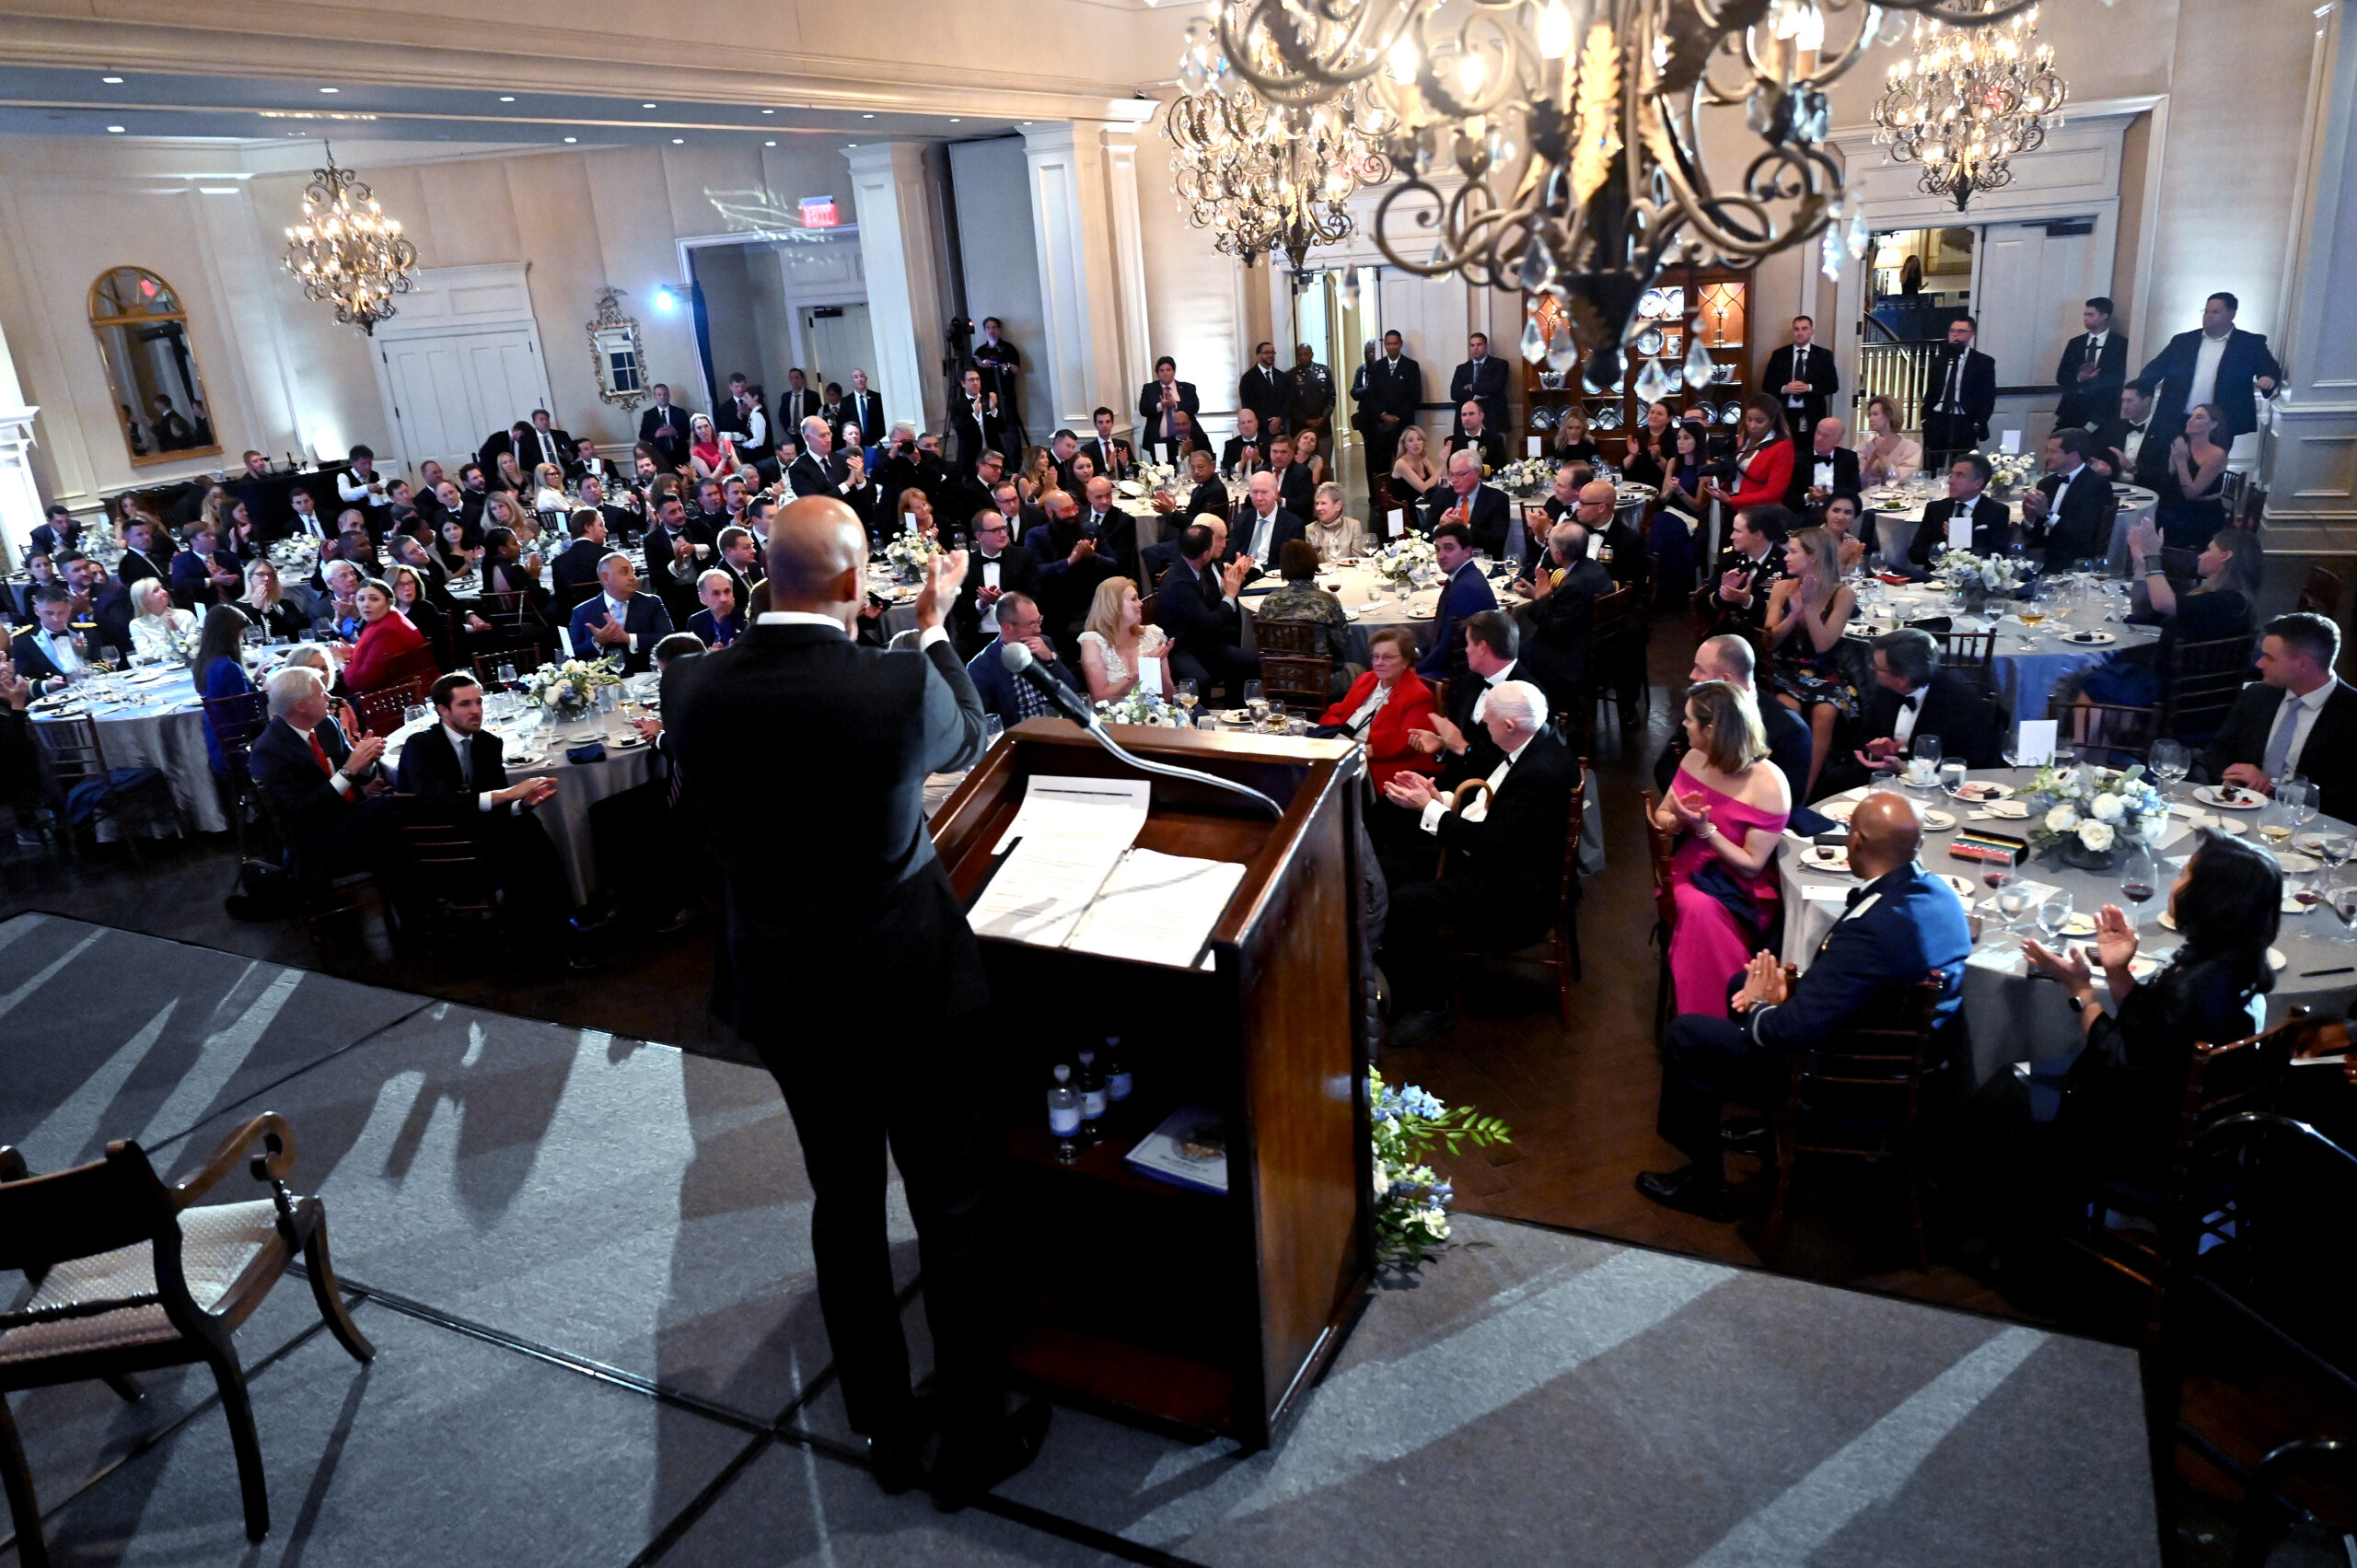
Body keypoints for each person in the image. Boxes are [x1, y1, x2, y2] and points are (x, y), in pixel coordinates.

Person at [662, 495, 1039, 1505]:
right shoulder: (891, 684)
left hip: (786, 986)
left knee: (844, 1201)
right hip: (907, 980)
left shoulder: (690, 685)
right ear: (851, 583)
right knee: (952, 1202)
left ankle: (883, 1423)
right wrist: (930, 624)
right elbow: (963, 740)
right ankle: (972, 1433)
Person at [1639, 792, 1968, 1219]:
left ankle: (1709, 1186)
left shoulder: (1873, 935)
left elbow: (1789, 1032)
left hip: (1843, 1075)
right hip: (1903, 1061)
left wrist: (1764, 1004)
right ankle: (1770, 1116)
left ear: (1857, 840)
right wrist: (1781, 995)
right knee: (1741, 981)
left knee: (1687, 1035)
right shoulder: (1939, 896)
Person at [2014, 830, 2281, 1206]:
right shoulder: (2235, 965)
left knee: (2008, 1093)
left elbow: (2117, 1056)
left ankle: (2026, 1238)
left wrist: (2081, 991)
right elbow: (2153, 1031)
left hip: (2143, 1149)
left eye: (2185, 874)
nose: (2174, 882)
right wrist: (2117, 971)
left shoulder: (2191, 989)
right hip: (2202, 1140)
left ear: (2209, 898)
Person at [1377, 679, 1574, 1047]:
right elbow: (1489, 814)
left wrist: (1428, 808)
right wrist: (1439, 798)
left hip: (1516, 891)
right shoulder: (1531, 744)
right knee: (1391, 867)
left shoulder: (1540, 772)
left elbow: (1491, 842)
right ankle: (1398, 964)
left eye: (1488, 719)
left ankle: (1432, 1006)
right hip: (1501, 860)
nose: (1482, 723)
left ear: (1510, 726)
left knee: (1409, 901)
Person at [1653, 679, 1793, 1017]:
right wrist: (1677, 821)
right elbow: (1662, 814)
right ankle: (1724, 1017)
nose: (1683, 725)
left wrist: (1705, 829)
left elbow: (1751, 865)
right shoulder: (1693, 759)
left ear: (1712, 729)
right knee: (1699, 910)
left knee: (1702, 913)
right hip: (1690, 872)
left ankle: (1715, 1017)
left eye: (1688, 720)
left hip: (1744, 889)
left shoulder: (1770, 784)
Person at [2084, 522, 2264, 712]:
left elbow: (2164, 603)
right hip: (2176, 682)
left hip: (2179, 695)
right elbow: (2142, 609)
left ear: (2225, 556)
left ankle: (2083, 740)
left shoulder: (2230, 603)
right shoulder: (2222, 598)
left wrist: (2153, 556)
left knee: (2094, 684)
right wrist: (2141, 563)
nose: (2201, 555)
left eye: (2209, 550)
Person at [2197, 611, 2357, 820]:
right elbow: (2218, 749)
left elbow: (2347, 794)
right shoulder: (2257, 694)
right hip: (2240, 811)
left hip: (2312, 826)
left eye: (2269, 657)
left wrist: (2274, 788)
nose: (2259, 664)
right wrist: (2232, 774)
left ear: (2303, 664)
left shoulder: (2350, 711)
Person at [1653, 635, 1824, 830]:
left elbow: (1789, 804)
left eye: (1701, 669)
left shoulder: (1789, 730)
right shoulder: (1699, 709)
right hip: (1694, 829)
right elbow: (1664, 768)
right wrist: (1691, 807)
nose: (1692, 675)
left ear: (1726, 680)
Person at [249, 662, 401, 880]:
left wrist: (367, 759)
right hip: (316, 842)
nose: (329, 698)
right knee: (394, 813)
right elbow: (303, 812)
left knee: (399, 812)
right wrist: (349, 769)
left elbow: (359, 774)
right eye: (321, 693)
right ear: (300, 706)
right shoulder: (270, 751)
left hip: (348, 818)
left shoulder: (327, 725)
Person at [1823, 627, 1999, 796]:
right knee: (1831, 782)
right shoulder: (1887, 689)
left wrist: (1907, 769)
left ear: (1902, 678)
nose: (1871, 668)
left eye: (1877, 667)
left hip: (1936, 787)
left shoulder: (1960, 705)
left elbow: (1964, 766)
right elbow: (1865, 734)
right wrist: (1877, 748)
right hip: (1886, 775)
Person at [1762, 526, 1860, 797]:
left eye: (1793, 552)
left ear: (1813, 557)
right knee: (1788, 707)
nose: (1786, 557)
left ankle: (1805, 792)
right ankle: (1784, 785)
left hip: (1825, 669)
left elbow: (1823, 644)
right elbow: (1770, 642)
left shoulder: (1842, 594)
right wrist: (1793, 615)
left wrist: (1811, 609)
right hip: (1786, 667)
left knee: (1825, 712)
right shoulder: (1781, 587)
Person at [2139, 291, 2282, 442]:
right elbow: (2155, 369)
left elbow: (2270, 369)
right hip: (2178, 418)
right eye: (2206, 311)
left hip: (2219, 424)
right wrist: (2138, 392)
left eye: (2215, 311)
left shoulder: (2249, 343)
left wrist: (2268, 378)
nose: (2209, 315)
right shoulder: (2183, 341)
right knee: (2174, 462)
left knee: (2210, 464)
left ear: (2232, 313)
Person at [1318, 627, 1436, 789]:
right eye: (1375, 657)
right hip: (1342, 746)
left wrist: (1356, 751)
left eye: (1387, 657)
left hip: (1379, 766)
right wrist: (1331, 733)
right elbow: (1340, 709)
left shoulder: (1419, 695)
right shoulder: (1367, 679)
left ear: (1406, 660)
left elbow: (1405, 742)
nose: (1379, 663)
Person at [1154, 521, 1256, 698]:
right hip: (1182, 647)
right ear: (1205, 553)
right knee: (1201, 679)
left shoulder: (1194, 567)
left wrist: (1232, 579)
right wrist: (1230, 595)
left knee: (1249, 662)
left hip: (1202, 641)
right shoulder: (1180, 583)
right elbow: (1209, 623)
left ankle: (1237, 712)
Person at [964, 590, 1083, 724]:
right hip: (1020, 737)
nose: (1038, 630)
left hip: (1057, 726)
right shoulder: (981, 666)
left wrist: (1051, 659)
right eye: (1031, 624)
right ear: (1007, 627)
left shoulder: (1043, 643)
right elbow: (985, 720)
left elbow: (1074, 691)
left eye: (1039, 621)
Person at [1257, 540, 1355, 697]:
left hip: (1278, 680)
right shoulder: (1326, 601)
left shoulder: (1270, 601)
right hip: (1318, 681)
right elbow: (1343, 644)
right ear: (1313, 563)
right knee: (1362, 672)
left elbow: (1262, 645)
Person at [1417, 520, 1498, 681]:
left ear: (1467, 551)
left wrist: (1412, 670)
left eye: (1449, 548)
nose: (1441, 556)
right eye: (1438, 549)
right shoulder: (1467, 576)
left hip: (1462, 677)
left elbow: (1446, 650)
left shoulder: (1465, 588)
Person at [569, 552, 676, 676]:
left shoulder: (652, 603)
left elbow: (669, 639)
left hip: (647, 677)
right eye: (624, 572)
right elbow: (572, 654)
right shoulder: (582, 611)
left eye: (633, 571)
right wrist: (597, 642)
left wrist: (628, 638)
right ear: (605, 578)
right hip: (605, 682)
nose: (633, 578)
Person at [954, 511, 1042, 658]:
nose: (1003, 534)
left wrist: (1005, 602)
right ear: (979, 535)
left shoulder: (1024, 557)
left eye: (1004, 528)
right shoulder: (965, 564)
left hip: (1018, 632)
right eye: (996, 530)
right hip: (978, 635)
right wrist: (980, 605)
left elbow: (1037, 597)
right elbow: (957, 609)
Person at [342, 577, 437, 710]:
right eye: (361, 599)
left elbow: (362, 682)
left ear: (388, 602)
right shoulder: (385, 618)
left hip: (394, 704)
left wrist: (341, 664)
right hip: (399, 694)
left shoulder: (388, 631)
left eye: (374, 599)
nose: (366, 604)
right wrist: (353, 654)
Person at [2017, 427, 2109, 566]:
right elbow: (2034, 536)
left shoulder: (2096, 485)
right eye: (2047, 451)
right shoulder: (2045, 484)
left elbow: (2082, 536)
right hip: (2039, 558)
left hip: (2073, 562)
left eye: (2053, 452)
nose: (2047, 457)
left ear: (2073, 456)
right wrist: (2029, 518)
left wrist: (2046, 514)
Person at [1074, 575, 1171, 703]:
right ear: (1116, 607)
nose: (1141, 603)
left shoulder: (1153, 635)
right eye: (1134, 599)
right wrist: (1139, 672)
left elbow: (1167, 697)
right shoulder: (1093, 642)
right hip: (1113, 720)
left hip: (1152, 717)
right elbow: (1100, 698)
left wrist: (1156, 665)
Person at [1703, 504, 1792, 639]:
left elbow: (1786, 612)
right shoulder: (1730, 559)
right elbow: (1705, 607)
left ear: (1758, 535)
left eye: (1737, 531)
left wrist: (1748, 601)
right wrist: (1722, 595)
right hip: (1729, 635)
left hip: (1767, 641)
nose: (1732, 536)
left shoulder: (1785, 563)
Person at [1920, 317, 1997, 470]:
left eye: (1961, 331)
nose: (1955, 335)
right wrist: (1925, 419)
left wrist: (1978, 422)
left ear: (1971, 334)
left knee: (1962, 467)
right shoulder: (1939, 361)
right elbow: (1931, 391)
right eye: (1953, 331)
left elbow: (1988, 396)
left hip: (1965, 420)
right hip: (1937, 418)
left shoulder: (1983, 362)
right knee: (1932, 466)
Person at [189, 604, 255, 778]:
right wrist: (264, 690)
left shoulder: (202, 664)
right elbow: (249, 715)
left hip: (217, 745)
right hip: (239, 749)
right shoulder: (229, 668)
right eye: (240, 638)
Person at [2154, 401, 2232, 548]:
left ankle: (2172, 564)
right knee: (2148, 518)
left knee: (2160, 522)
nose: (2191, 420)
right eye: (2191, 416)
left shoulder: (2216, 454)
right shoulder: (2182, 446)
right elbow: (2167, 479)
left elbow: (2191, 493)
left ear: (2213, 425)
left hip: (2201, 513)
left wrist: (2181, 461)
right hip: (2176, 506)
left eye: (2199, 417)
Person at [1705, 396, 1795, 517]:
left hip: (1761, 514)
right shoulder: (1741, 442)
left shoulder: (1782, 447)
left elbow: (1774, 493)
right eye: (1749, 420)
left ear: (1772, 420)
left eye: (1759, 421)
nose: (1752, 425)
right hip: (1733, 509)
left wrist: (1733, 500)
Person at [2053, 296, 2129, 432]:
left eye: (2090, 314)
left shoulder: (2120, 344)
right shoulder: (2076, 343)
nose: (2085, 318)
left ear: (2104, 316)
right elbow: (2061, 376)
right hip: (2073, 408)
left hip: (2104, 408)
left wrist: (2097, 378)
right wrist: (2080, 378)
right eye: (2085, 314)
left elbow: (2119, 376)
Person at [1419, 449, 1510, 561]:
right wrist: (1439, 527)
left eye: (1460, 474)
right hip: (1445, 563)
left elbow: (1497, 542)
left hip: (1483, 564)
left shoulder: (1497, 499)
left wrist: (1465, 526)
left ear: (1476, 472)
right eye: (1451, 474)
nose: (1454, 480)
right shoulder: (1441, 496)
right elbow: (1423, 535)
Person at [1361, 330, 1423, 482]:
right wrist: (1383, 415)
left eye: (1395, 343)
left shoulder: (1411, 366)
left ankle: (1403, 499)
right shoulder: (1376, 367)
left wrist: (1397, 417)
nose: (1392, 347)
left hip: (1403, 424)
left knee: (1405, 462)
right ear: (1385, 346)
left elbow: (1414, 396)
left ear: (1400, 344)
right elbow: (1371, 396)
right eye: (1388, 344)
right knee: (1379, 463)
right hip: (1380, 424)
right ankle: (1379, 500)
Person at [1764, 316, 1840, 437]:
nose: (1800, 333)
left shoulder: (1823, 355)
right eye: (1796, 329)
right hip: (1784, 414)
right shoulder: (1779, 355)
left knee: (1809, 452)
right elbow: (1767, 385)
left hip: (1812, 414)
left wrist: (1808, 387)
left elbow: (1832, 386)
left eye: (1804, 329)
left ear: (1812, 331)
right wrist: (1784, 389)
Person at [2094, 378, 2170, 489]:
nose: (2124, 406)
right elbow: (2096, 455)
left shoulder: (2164, 431)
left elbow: (2164, 473)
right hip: (2113, 488)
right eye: (2123, 400)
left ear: (2147, 401)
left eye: (2130, 401)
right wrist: (2099, 465)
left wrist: (2132, 468)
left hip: (2148, 490)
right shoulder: (2112, 428)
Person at [10, 587, 87, 692]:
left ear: (69, 608)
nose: (56, 619)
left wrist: (90, 671)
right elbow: (21, 679)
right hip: (55, 699)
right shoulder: (23, 641)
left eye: (61, 612)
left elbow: (104, 662)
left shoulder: (87, 631)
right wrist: (44, 685)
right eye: (49, 613)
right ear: (36, 610)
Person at [1785, 417, 1861, 518]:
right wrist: (1809, 497)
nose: (1818, 439)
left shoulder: (1849, 458)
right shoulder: (1798, 459)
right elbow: (1788, 498)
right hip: (1806, 515)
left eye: (1825, 436)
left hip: (1838, 515)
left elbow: (1854, 492)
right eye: (1818, 433)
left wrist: (1833, 500)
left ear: (1837, 441)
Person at [1234, 470, 1305, 569]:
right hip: (1242, 576)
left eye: (1264, 492)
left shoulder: (1293, 525)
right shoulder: (1243, 519)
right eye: (1255, 492)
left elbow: (1292, 565)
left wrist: (1258, 568)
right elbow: (1230, 556)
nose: (1259, 498)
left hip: (1271, 578)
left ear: (1276, 493)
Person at [1448, 331, 1510, 444]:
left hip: (1493, 420)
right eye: (1472, 345)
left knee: (1496, 458)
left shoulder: (1499, 365)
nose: (1475, 348)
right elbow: (1455, 393)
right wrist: (1475, 396)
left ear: (1485, 346)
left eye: (1479, 345)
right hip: (1467, 425)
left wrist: (1472, 387)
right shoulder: (1462, 369)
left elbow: (1495, 386)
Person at [1852, 394, 1925, 489]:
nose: (1871, 419)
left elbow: (1901, 478)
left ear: (1889, 416)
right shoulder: (1862, 448)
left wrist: (1882, 455)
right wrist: (1872, 459)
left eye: (1875, 414)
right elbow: (1859, 481)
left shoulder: (1910, 448)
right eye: (1870, 415)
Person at [1136, 355, 1200, 458]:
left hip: (1183, 437)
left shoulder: (1188, 388)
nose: (1165, 373)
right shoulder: (1149, 389)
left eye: (1168, 370)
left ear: (1174, 371)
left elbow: (1194, 407)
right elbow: (1143, 410)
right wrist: (1161, 406)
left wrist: (1175, 404)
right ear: (1157, 373)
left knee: (1185, 466)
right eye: (1161, 370)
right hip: (1159, 439)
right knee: (1162, 469)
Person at [126, 578, 196, 663]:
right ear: (144, 601)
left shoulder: (185, 615)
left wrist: (176, 633)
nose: (164, 592)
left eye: (162, 588)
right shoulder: (137, 624)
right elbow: (145, 655)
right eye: (156, 590)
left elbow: (197, 646)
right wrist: (168, 643)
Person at [1286, 341, 1335, 449]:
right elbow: (1290, 403)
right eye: (1300, 354)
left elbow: (1331, 397)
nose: (1303, 357)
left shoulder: (1324, 371)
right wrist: (1305, 420)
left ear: (1311, 355)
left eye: (1306, 354)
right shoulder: (1291, 375)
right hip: (1300, 428)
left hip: (1323, 426)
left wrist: (1323, 417)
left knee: (1323, 461)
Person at [1305, 481, 1365, 562]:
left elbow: (1358, 560)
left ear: (1338, 505)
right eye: (1317, 503)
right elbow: (1309, 563)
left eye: (1323, 503)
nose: (1318, 508)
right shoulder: (1309, 529)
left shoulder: (1353, 526)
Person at [1388, 423, 1440, 517]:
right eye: (1410, 440)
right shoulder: (1401, 464)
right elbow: (1424, 489)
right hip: (1405, 513)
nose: (1416, 443)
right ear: (1404, 444)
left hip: (1421, 507)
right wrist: (1442, 464)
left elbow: (1437, 481)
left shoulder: (1424, 459)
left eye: (1419, 439)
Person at [1621, 401, 1677, 489]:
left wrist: (1657, 459)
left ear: (1669, 419)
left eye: (1659, 414)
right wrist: (1633, 455)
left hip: (1660, 489)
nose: (1654, 416)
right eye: (1652, 412)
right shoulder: (1638, 438)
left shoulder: (1675, 440)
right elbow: (1625, 468)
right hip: (1634, 488)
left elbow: (1673, 473)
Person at [640, 383, 694, 470]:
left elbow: (689, 432)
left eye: (665, 394)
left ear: (669, 395)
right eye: (659, 395)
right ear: (655, 396)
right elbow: (642, 436)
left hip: (679, 455)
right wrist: (655, 435)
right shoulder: (648, 415)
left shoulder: (680, 412)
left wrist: (676, 433)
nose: (662, 397)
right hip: (658, 457)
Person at [1237, 340, 1288, 434]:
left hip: (1281, 428)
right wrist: (1268, 423)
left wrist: (1279, 419)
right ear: (1258, 355)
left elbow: (1288, 400)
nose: (1270, 355)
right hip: (1260, 430)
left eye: (1272, 353)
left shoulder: (1281, 376)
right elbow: (1248, 406)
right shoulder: (1248, 378)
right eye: (1266, 353)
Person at [686, 569, 745, 648]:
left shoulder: (747, 618)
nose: (724, 599)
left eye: (727, 591)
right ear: (702, 598)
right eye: (716, 593)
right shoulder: (696, 622)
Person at [1080, 407, 1134, 484]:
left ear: (1112, 424)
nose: (1104, 426)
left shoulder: (1123, 445)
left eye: (1107, 422)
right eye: (1100, 422)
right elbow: (1088, 476)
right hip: (1100, 488)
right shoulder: (1087, 449)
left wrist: (1126, 464)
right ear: (1095, 425)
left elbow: (1137, 471)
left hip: (1123, 487)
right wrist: (1108, 467)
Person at [1548, 404, 1601, 468]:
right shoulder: (1554, 444)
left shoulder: (1589, 444)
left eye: (1578, 428)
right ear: (1564, 427)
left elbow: (1596, 465)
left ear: (1583, 427)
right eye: (1570, 428)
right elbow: (1549, 467)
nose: (1574, 432)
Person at [1220, 408, 1269, 476]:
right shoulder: (1231, 445)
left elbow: (1273, 470)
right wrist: (1242, 463)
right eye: (1243, 423)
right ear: (1238, 426)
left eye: (1249, 422)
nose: (1246, 426)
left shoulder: (1269, 442)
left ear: (1256, 424)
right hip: (1238, 486)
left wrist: (1258, 461)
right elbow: (1225, 474)